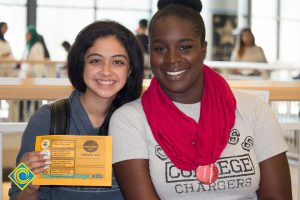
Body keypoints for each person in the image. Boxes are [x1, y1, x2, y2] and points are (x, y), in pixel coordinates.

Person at [109, 0, 292, 199]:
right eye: (160, 49)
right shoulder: (130, 120)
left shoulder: (254, 109)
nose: (172, 59)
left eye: (185, 47)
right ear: (149, 51)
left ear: (203, 49)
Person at [9, 20, 144, 200]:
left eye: (118, 62)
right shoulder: (47, 119)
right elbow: (17, 195)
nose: (106, 71)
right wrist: (30, 188)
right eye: (95, 60)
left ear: (130, 70)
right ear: (81, 65)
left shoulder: (140, 122)